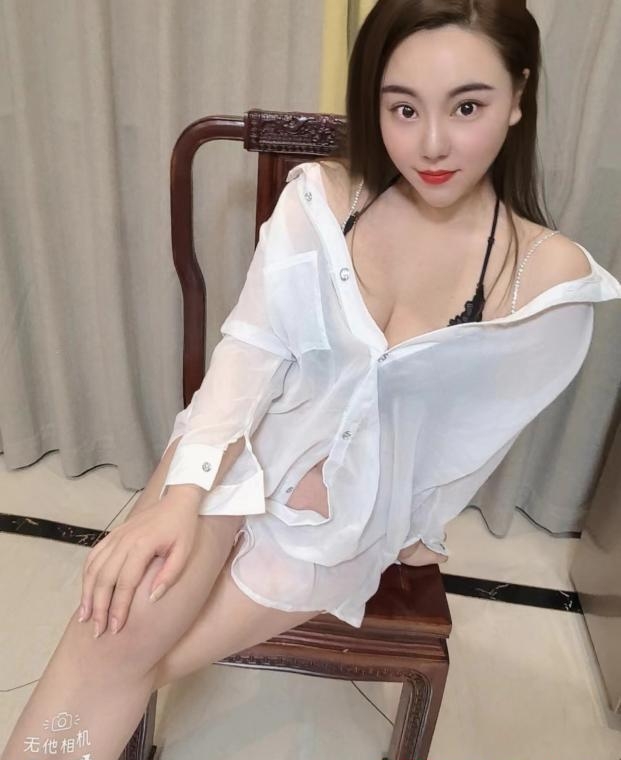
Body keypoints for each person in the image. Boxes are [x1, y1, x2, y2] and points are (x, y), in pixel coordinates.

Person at [3, 1, 621, 759]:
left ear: (518, 95)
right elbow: (250, 352)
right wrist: (182, 494)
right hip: (238, 444)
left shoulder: (546, 284)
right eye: (403, 108)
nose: (431, 143)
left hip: (342, 517)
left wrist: (393, 520)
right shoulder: (323, 199)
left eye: (467, 106)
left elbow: (463, 451)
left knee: (128, 657)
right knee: (116, 631)